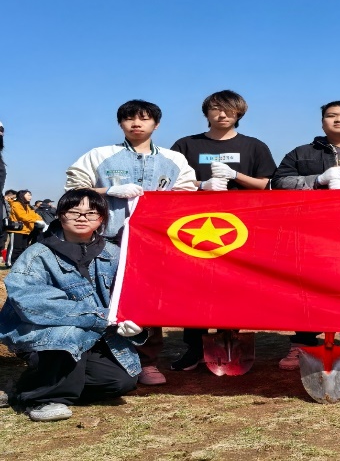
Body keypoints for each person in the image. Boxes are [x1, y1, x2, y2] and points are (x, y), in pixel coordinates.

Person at [65, 100, 197, 385]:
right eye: (129, 119)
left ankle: (147, 362)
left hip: (153, 242)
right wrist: (108, 190)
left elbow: (187, 194)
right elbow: (73, 189)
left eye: (144, 118)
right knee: (102, 296)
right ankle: (101, 358)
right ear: (120, 123)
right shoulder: (99, 155)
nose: (136, 124)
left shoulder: (174, 160)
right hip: (106, 239)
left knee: (146, 299)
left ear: (156, 125)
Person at [0, 189, 146, 422]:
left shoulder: (115, 254)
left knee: (119, 381)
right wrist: (99, 316)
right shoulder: (37, 254)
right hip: (45, 335)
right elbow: (30, 300)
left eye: (91, 213)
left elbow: (131, 294)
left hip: (96, 335)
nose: (82, 218)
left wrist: (132, 320)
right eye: (74, 212)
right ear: (60, 215)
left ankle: (29, 388)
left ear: (102, 218)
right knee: (69, 334)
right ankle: (44, 399)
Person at [271, 100, 340, 372]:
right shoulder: (301, 153)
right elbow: (278, 182)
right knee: (307, 286)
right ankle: (302, 343)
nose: (339, 120)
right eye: (332, 115)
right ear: (322, 122)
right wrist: (317, 181)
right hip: (311, 232)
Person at [169, 90, 277, 371]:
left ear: (239, 113)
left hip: (241, 226)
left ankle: (231, 337)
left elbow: (265, 184)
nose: (222, 115)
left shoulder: (254, 146)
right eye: (216, 109)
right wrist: (201, 185)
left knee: (234, 285)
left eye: (229, 110)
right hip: (195, 226)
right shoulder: (186, 145)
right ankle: (194, 346)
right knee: (195, 286)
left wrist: (235, 175)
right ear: (206, 113)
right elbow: (170, 182)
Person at [8, 190, 45, 266]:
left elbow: (34, 214)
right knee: (15, 248)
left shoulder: (27, 206)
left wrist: (40, 220)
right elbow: (22, 216)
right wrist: (35, 220)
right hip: (17, 229)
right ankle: (10, 263)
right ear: (22, 196)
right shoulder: (16, 204)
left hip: (26, 230)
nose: (30, 197)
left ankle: (18, 263)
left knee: (22, 248)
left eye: (30, 195)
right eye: (28, 195)